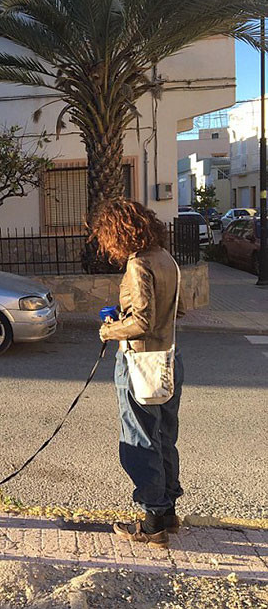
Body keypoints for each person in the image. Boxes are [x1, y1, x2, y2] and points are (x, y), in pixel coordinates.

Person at [91, 199, 185, 547]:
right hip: (170, 359)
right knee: (163, 436)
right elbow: (179, 309)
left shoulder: (139, 264)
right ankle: (168, 513)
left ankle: (151, 522)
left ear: (117, 232)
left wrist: (110, 329)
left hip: (140, 362)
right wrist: (125, 311)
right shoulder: (167, 259)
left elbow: (142, 321)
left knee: (138, 439)